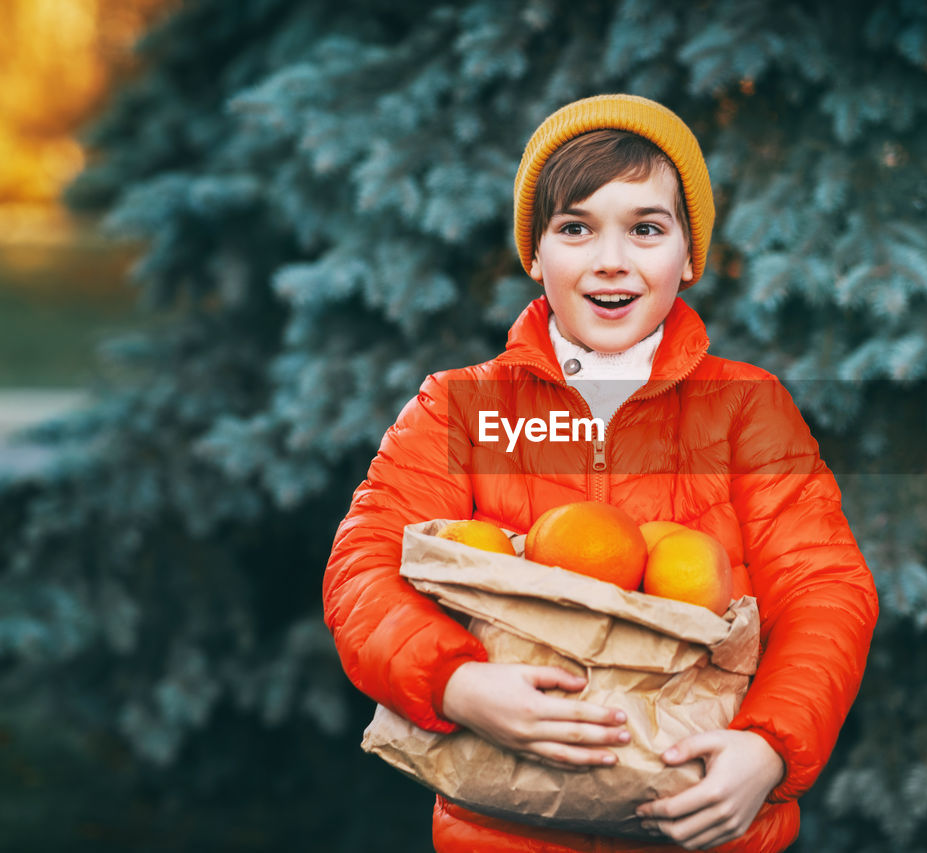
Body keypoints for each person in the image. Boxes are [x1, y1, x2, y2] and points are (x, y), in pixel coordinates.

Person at [323, 93, 878, 852]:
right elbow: (363, 566)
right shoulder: (461, 408)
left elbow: (826, 590)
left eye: (646, 229)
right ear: (534, 252)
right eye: (575, 228)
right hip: (503, 833)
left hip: (702, 831)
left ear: (689, 256)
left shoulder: (747, 410)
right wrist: (457, 684)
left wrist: (770, 747)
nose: (610, 260)